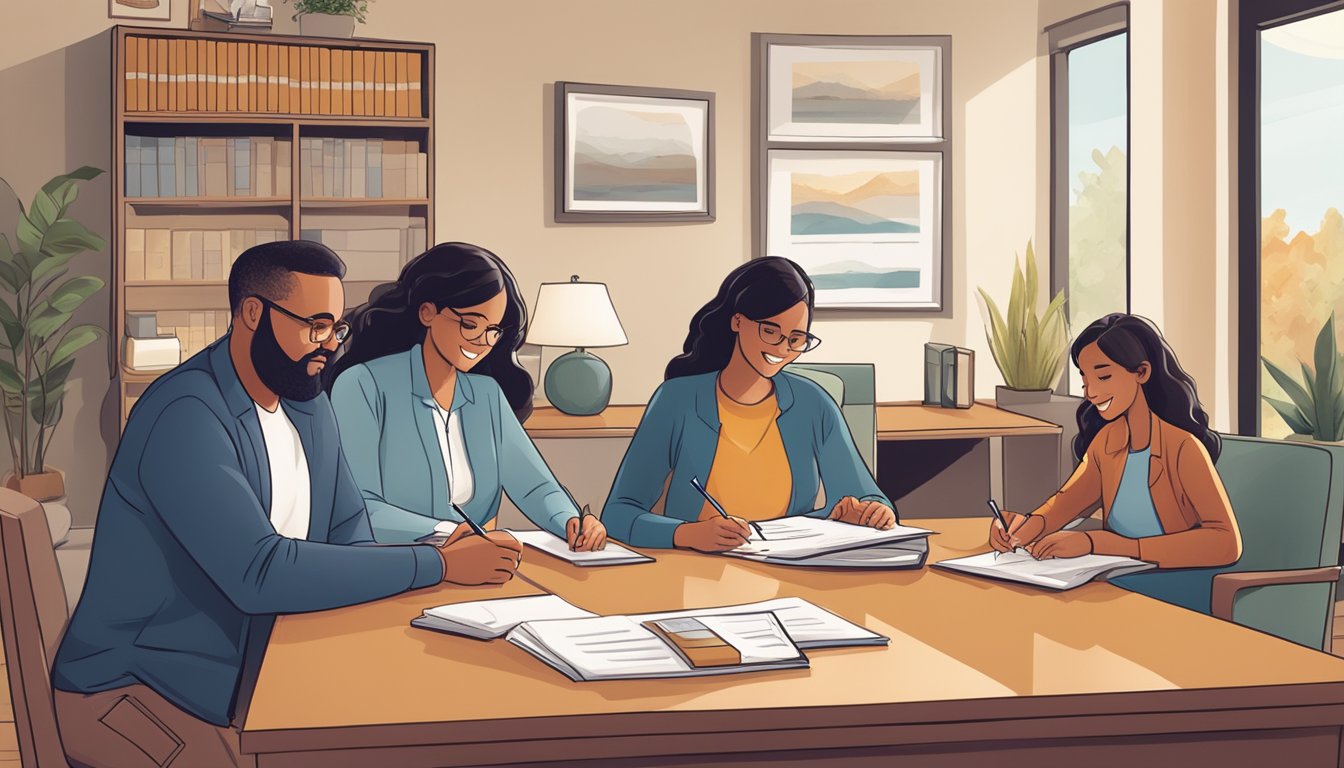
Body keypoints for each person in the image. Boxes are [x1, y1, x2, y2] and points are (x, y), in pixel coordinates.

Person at [51, 241, 523, 767]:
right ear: (253, 314)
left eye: (337, 328)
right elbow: (259, 571)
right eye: (315, 326)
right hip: (134, 688)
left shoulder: (306, 402)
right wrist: (436, 564)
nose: (328, 345)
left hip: (250, 666)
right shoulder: (185, 415)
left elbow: (350, 530)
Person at [602, 256, 896, 552]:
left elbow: (869, 497)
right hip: (697, 574)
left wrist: (873, 512)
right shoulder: (676, 400)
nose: (782, 349)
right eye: (770, 331)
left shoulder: (813, 404)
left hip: (791, 572)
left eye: (796, 339)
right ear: (737, 320)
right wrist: (686, 534)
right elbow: (618, 514)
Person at [328, 242, 606, 550]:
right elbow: (359, 506)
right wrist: (453, 535)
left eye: (494, 330)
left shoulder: (486, 395)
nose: (483, 342)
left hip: (479, 565)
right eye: (470, 324)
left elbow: (536, 486)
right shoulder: (362, 385)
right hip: (394, 566)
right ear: (427, 313)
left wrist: (570, 520)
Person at [989, 313, 1242, 568]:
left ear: (1141, 372)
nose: (1090, 392)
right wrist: (1026, 525)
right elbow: (1065, 504)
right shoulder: (1107, 442)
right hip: (1113, 579)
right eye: (1085, 379)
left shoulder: (1183, 447)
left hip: (1171, 584)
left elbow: (1227, 543)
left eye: (1103, 377)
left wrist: (1097, 544)